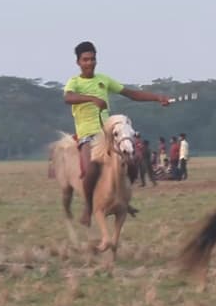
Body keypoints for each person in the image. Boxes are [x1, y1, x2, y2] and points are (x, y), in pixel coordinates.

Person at [63, 41, 170, 227]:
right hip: (87, 136)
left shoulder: (104, 80)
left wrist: (157, 97)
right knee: (91, 170)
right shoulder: (75, 82)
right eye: (85, 60)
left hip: (107, 134)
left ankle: (124, 200)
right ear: (78, 62)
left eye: (92, 59)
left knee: (132, 162)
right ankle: (88, 207)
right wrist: (91, 99)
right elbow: (68, 98)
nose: (89, 63)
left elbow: (131, 94)